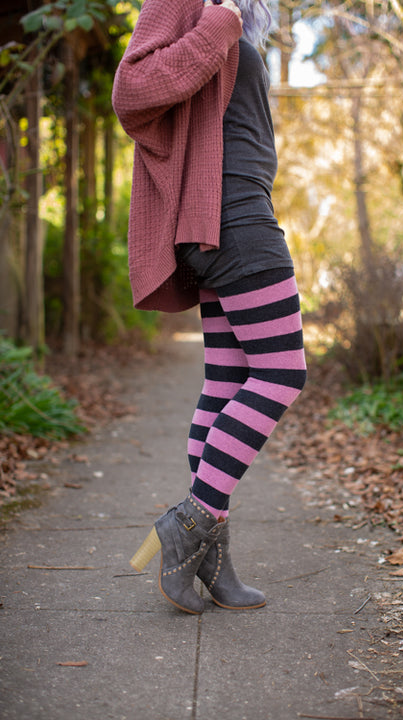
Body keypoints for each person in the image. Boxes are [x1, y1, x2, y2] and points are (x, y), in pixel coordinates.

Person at [112, 0, 307, 614]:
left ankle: (211, 559)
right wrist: (220, 20)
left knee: (227, 380)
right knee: (282, 370)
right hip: (232, 215)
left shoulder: (233, 18)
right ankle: (191, 521)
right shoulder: (190, 5)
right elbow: (133, 89)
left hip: (227, 213)